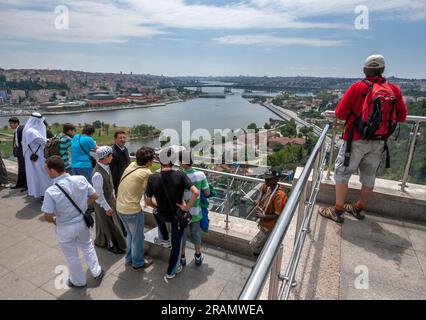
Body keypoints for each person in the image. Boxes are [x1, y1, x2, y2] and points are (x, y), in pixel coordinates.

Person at [319, 54, 408, 223]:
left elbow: (340, 113)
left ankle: (338, 211)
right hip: (379, 141)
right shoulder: (394, 90)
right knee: (369, 175)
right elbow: (402, 117)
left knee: (342, 173)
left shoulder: (357, 87)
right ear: (382, 70)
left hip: (355, 140)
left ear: (365, 70)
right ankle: (358, 207)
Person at [42, 156, 104, 288]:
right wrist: (83, 207)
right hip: (81, 222)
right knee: (88, 247)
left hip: (64, 227)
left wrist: (55, 220)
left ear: (53, 171)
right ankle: (97, 271)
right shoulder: (80, 179)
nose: (46, 172)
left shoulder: (51, 191)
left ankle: (79, 281)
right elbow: (95, 196)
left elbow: (47, 216)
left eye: (46, 169)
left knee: (71, 256)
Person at [145, 148, 199, 279]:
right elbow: (196, 192)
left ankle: (164, 238)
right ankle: (171, 271)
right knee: (176, 244)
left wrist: (158, 206)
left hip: (162, 214)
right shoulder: (180, 175)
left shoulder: (152, 178)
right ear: (173, 161)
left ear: (160, 160)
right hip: (176, 215)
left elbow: (147, 201)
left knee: (155, 212)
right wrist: (186, 208)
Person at [116, 147, 154, 271]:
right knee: (137, 238)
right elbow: (151, 192)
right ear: (148, 162)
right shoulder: (146, 173)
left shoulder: (132, 165)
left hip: (120, 207)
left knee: (131, 235)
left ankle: (129, 258)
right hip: (132, 211)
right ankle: (138, 263)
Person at [178, 150, 210, 267]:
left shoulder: (179, 175)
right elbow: (207, 193)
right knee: (196, 234)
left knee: (182, 235)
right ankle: (197, 256)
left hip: (182, 213)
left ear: (181, 162)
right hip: (196, 211)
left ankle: (182, 257)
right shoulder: (201, 175)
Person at [92, 146, 126, 254]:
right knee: (110, 224)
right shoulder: (98, 174)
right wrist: (107, 207)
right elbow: (98, 194)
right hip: (102, 203)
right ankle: (112, 245)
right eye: (110, 155)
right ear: (104, 157)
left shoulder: (106, 166)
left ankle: (101, 241)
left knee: (105, 223)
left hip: (108, 199)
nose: (112, 157)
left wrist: (114, 195)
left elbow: (110, 185)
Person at [249, 167, 287, 256]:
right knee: (260, 244)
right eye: (265, 178)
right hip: (265, 223)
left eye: (268, 179)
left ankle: (261, 260)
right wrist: (258, 199)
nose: (265, 180)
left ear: (276, 179)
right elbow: (262, 190)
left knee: (254, 245)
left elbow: (278, 215)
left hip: (271, 225)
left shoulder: (279, 195)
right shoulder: (269, 186)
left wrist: (263, 216)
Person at [22, 112, 52, 199]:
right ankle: (43, 193)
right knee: (42, 174)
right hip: (37, 156)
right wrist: (50, 140)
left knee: (36, 175)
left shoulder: (27, 129)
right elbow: (42, 141)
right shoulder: (32, 132)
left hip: (32, 155)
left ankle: (40, 192)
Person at [8, 117, 27, 190]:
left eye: (11, 123)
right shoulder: (17, 130)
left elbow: (23, 141)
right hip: (19, 151)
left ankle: (24, 185)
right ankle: (20, 184)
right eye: (10, 124)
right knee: (21, 168)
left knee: (23, 169)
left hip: (22, 152)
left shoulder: (21, 129)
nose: (10, 125)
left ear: (16, 123)